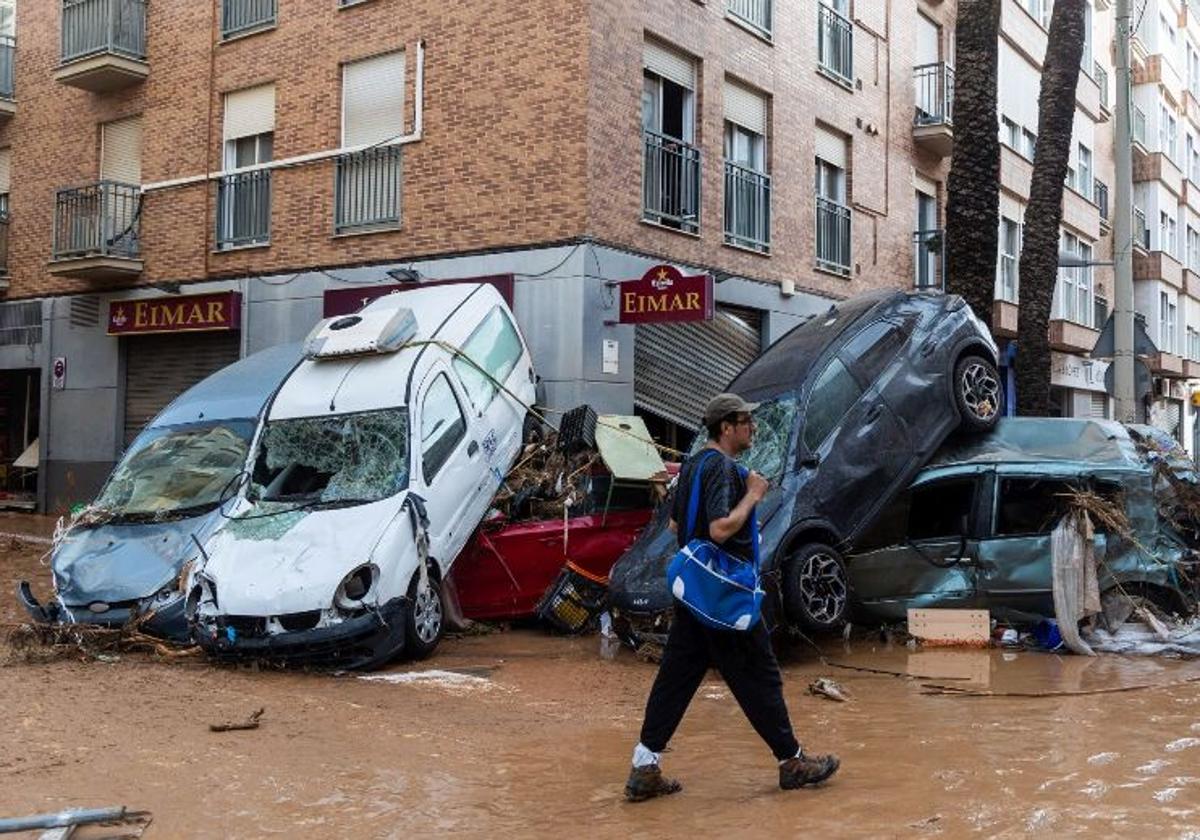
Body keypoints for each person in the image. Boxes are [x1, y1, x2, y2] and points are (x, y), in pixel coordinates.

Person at [624, 393, 840, 802]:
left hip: (696, 598)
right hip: (724, 598)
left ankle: (644, 765)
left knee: (675, 681)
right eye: (746, 422)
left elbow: (675, 526)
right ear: (726, 427)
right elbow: (721, 529)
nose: (752, 428)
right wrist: (754, 494)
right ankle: (791, 762)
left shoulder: (692, 466)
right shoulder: (722, 468)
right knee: (761, 675)